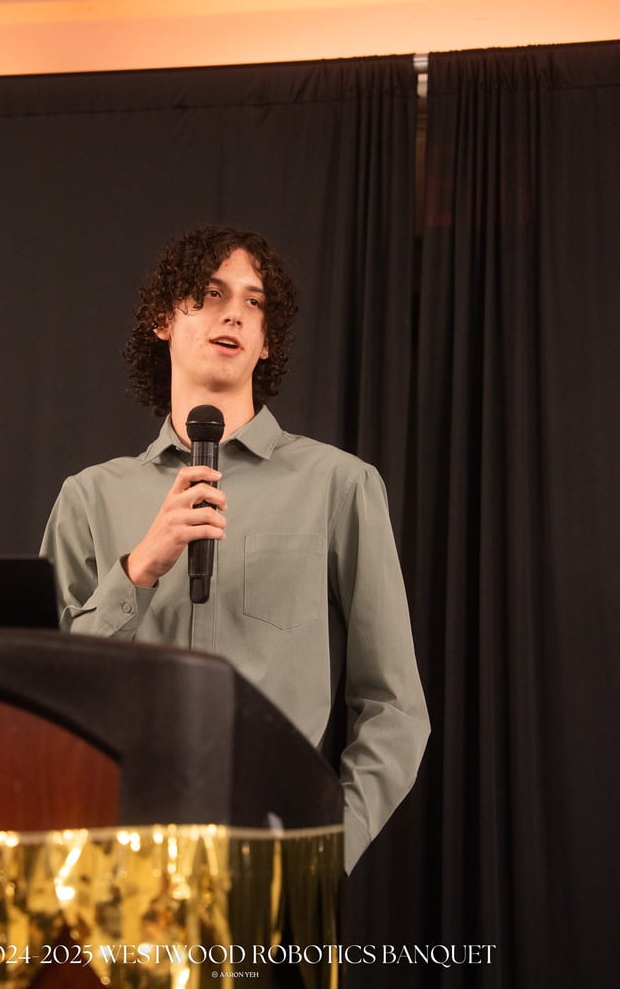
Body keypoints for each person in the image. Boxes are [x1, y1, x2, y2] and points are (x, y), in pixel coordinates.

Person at [40, 224, 429, 873]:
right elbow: (45, 694)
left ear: (267, 340)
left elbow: (395, 708)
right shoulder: (90, 497)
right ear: (163, 319)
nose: (234, 313)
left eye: (254, 301)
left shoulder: (339, 486)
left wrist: (324, 855)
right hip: (118, 866)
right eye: (211, 293)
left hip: (272, 864)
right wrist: (138, 570)